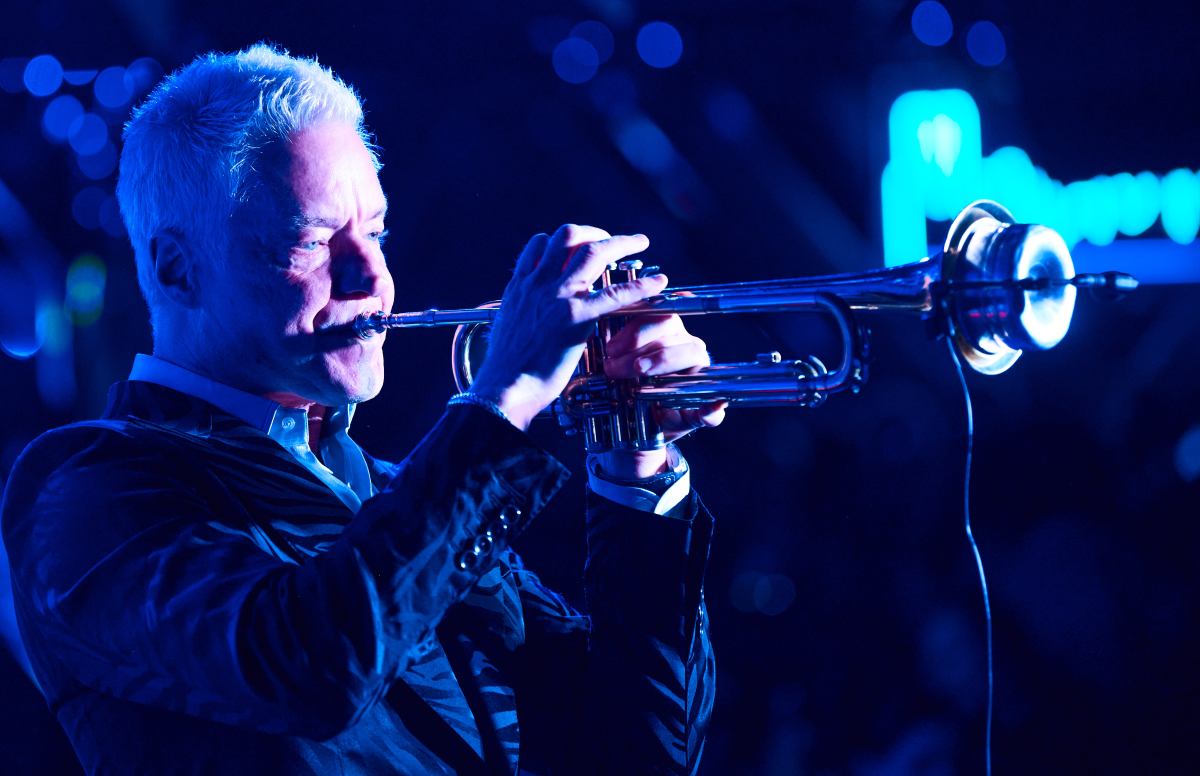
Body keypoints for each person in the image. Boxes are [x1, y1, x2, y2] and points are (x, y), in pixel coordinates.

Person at [1, 45, 724, 775]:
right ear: (176, 267)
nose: (373, 278)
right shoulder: (83, 490)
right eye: (312, 242)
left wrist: (634, 459)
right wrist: (503, 399)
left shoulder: (398, 494)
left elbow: (635, 754)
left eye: (375, 233)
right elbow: (310, 664)